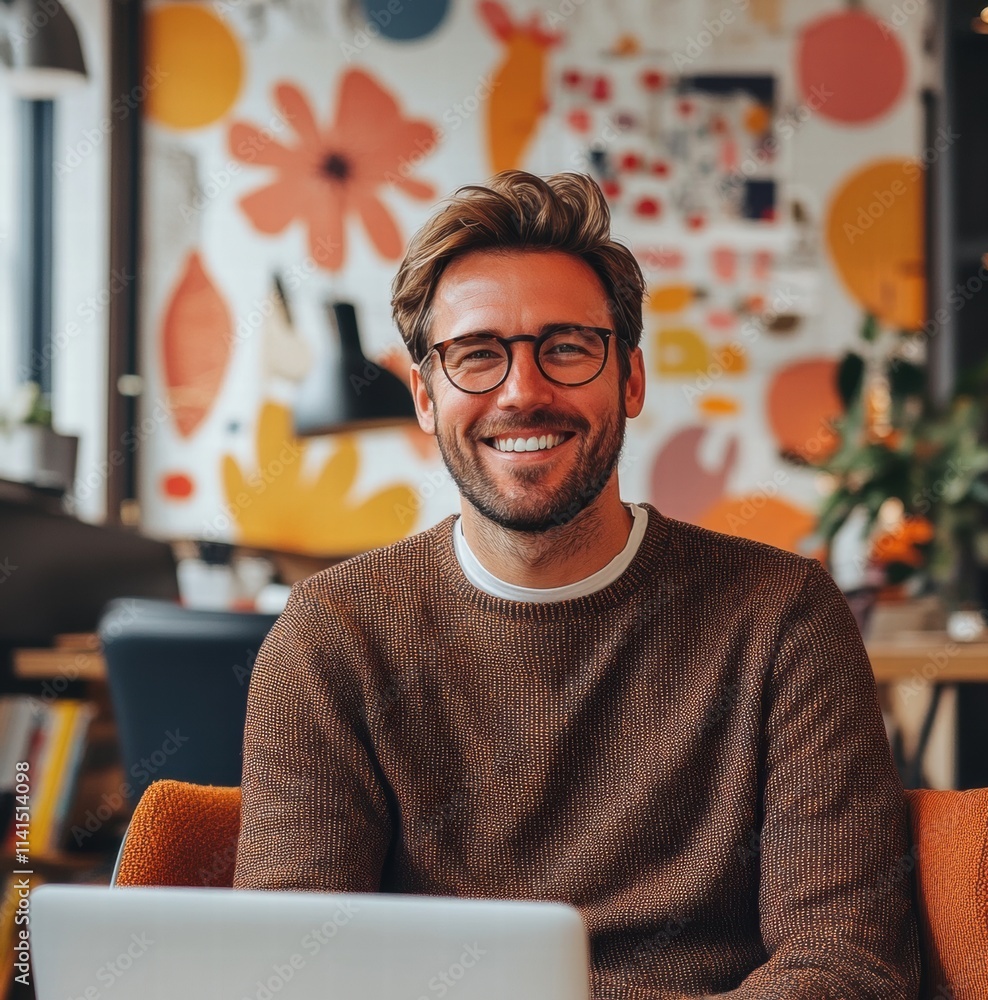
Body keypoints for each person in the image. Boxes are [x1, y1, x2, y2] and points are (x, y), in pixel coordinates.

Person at [235, 171, 920, 998]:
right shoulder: (331, 634)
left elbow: (849, 961)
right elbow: (291, 970)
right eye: (478, 355)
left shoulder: (782, 617)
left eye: (565, 347)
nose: (523, 392)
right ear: (425, 395)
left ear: (629, 380)